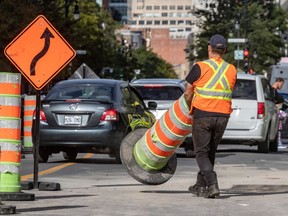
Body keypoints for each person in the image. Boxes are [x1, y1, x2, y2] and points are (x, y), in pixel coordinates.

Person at [184, 34, 237, 198]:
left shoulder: (199, 67)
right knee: (210, 152)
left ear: (209, 48)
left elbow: (187, 92)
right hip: (222, 116)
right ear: (225, 50)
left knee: (200, 152)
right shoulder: (232, 69)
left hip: (203, 114)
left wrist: (190, 108)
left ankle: (212, 183)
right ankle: (201, 186)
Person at [271, 77, 286, 148]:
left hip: (275, 111)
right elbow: (273, 102)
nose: (281, 86)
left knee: (278, 126)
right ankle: (278, 143)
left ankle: (278, 142)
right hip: (274, 111)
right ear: (279, 82)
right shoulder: (273, 90)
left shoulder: (273, 90)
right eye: (281, 84)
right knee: (284, 115)